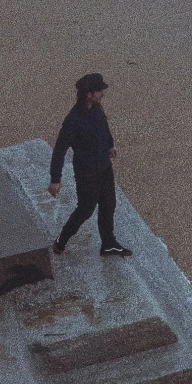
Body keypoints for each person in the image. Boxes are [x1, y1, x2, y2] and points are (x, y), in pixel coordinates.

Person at [48, 72, 131, 256]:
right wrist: (55, 179)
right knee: (85, 209)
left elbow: (103, 127)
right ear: (89, 94)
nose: (103, 94)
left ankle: (108, 243)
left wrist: (110, 145)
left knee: (109, 205)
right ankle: (61, 240)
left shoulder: (97, 109)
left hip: (104, 166)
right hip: (86, 173)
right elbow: (60, 150)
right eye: (100, 91)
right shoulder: (73, 121)